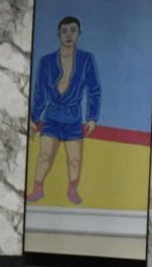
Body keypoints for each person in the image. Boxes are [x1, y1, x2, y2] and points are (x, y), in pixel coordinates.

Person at [27, 16, 102, 205]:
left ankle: (72, 189)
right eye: (64, 31)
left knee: (74, 159)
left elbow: (94, 89)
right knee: (44, 156)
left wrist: (92, 117)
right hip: (51, 117)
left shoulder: (86, 59)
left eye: (73, 30)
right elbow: (40, 91)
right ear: (58, 34)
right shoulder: (46, 61)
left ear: (79, 33)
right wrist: (34, 118)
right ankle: (37, 189)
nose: (68, 35)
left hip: (74, 118)